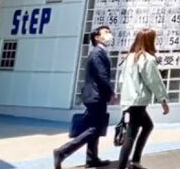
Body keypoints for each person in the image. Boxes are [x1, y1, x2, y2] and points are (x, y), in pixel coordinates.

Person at [54, 25, 115, 168]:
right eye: (106, 32)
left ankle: (92, 159)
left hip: (94, 95)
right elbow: (102, 76)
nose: (109, 34)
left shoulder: (100, 52)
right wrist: (110, 93)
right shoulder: (97, 53)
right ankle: (62, 151)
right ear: (97, 37)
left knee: (95, 127)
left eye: (109, 32)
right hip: (96, 96)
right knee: (95, 128)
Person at [116, 28, 170, 169]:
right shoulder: (147, 59)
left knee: (146, 126)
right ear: (149, 41)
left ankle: (135, 161)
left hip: (129, 100)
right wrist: (163, 100)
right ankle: (128, 164)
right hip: (138, 101)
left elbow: (122, 80)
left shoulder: (129, 58)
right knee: (131, 135)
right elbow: (154, 81)